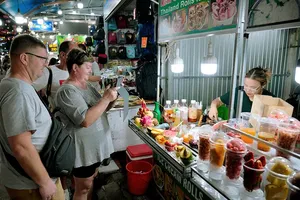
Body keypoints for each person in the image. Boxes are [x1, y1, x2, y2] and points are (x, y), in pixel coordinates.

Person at [0, 34, 64, 199]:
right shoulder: (18, 92)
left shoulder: (13, 85)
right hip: (31, 185)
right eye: (42, 58)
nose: (46, 63)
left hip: (29, 179)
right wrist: (44, 181)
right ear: (24, 58)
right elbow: (21, 146)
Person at [55, 48, 118, 200]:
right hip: (82, 151)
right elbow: (85, 120)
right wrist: (105, 99)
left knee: (89, 183)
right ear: (75, 67)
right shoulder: (67, 91)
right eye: (88, 67)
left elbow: (100, 110)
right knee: (82, 188)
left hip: (94, 148)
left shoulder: (87, 86)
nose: (91, 70)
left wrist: (111, 99)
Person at [209, 67, 275, 120]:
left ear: (263, 85)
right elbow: (218, 101)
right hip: (237, 131)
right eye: (246, 85)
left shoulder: (270, 99)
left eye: (253, 88)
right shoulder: (238, 92)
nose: (248, 90)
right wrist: (213, 107)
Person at [33, 41, 78, 110]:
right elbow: (31, 89)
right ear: (63, 55)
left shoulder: (78, 72)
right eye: (75, 53)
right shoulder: (49, 72)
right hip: (58, 118)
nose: (78, 56)